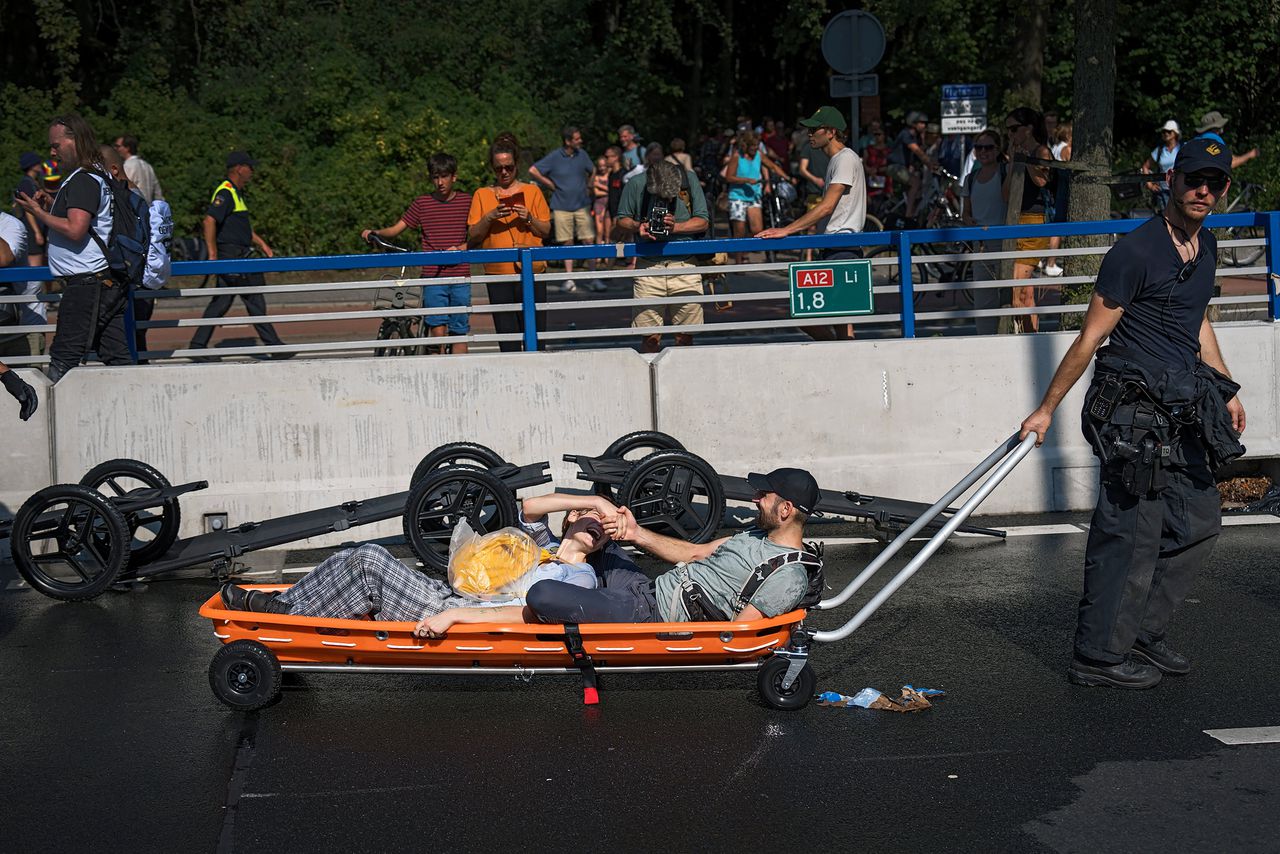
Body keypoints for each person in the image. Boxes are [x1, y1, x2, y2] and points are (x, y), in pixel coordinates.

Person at [1018, 138, 1246, 690]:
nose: (1202, 190)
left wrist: (1227, 388)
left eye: (1213, 183)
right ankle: (1098, 655)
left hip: (1181, 404)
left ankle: (1140, 631)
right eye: (1193, 178)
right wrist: (1045, 410)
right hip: (1129, 413)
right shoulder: (1135, 252)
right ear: (1170, 180)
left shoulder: (1206, 245)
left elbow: (1197, 321)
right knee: (1130, 533)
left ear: (1224, 190)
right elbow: (1089, 338)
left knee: (1198, 520)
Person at [415, 466, 822, 638]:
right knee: (603, 537)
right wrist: (631, 531)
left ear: (785, 509)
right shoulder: (754, 536)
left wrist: (677, 638)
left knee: (542, 595)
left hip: (651, 615)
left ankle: (573, 585)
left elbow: (739, 633)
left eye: (764, 495)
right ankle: (597, 542)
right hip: (645, 590)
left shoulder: (787, 574)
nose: (755, 499)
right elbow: (695, 553)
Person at [218, 493, 620, 619]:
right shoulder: (543, 544)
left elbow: (530, 611)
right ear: (571, 517)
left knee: (370, 562)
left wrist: (459, 615)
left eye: (603, 528)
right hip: (456, 595)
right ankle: (285, 606)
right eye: (589, 517)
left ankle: (289, 616)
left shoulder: (581, 577)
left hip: (470, 613)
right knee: (358, 552)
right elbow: (530, 505)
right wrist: (594, 499)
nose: (596, 524)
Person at [13, 113, 133, 382]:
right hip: (104, 282)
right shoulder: (94, 176)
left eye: (56, 145)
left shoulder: (82, 180)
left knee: (63, 360)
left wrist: (37, 212)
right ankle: (138, 413)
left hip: (87, 284)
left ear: (75, 141)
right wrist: (50, 205)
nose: (52, 151)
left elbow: (76, 229)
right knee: (116, 357)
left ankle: (46, 420)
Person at [758, 106, 867, 341]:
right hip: (835, 247)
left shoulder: (845, 159)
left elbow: (827, 206)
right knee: (840, 320)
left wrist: (785, 230)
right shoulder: (838, 160)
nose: (809, 134)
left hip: (841, 247)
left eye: (814, 129)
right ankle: (843, 357)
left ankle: (841, 355)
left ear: (830, 132)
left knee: (807, 314)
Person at [362, 153, 472, 354]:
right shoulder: (422, 203)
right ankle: (439, 369)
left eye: (444, 176)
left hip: (460, 274)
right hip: (432, 276)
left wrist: (461, 248)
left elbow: (477, 237)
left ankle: (459, 374)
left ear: (454, 177)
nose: (440, 182)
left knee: (459, 330)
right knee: (437, 328)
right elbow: (397, 229)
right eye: (435, 177)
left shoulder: (467, 202)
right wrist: (375, 233)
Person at [187, 151, 288, 360]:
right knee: (250, 301)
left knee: (226, 302)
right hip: (233, 256)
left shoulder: (236, 193)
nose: (252, 172)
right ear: (239, 168)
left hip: (240, 255)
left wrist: (263, 245)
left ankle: (197, 345)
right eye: (250, 167)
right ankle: (274, 346)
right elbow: (209, 221)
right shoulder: (225, 192)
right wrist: (213, 254)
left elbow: (242, 230)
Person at [466, 132, 552, 352]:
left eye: (509, 167)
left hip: (531, 270)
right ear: (492, 168)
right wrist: (489, 217)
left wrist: (529, 218)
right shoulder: (481, 194)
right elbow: (473, 237)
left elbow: (546, 231)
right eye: (498, 168)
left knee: (536, 334)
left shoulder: (532, 191)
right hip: (498, 272)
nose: (504, 172)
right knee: (507, 337)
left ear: (517, 165)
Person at [615, 158, 709, 352]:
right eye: (659, 197)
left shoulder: (689, 180)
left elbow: (703, 221)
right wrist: (637, 226)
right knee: (650, 338)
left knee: (685, 337)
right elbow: (621, 219)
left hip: (685, 266)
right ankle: (651, 378)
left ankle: (682, 379)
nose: (665, 202)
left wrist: (676, 227)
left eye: (670, 198)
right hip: (648, 267)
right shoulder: (636, 184)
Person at [1002, 107, 1053, 333]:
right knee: (1027, 291)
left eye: (1014, 129)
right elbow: (1005, 195)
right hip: (1015, 220)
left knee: (1016, 288)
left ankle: (1024, 338)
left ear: (1029, 128)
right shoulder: (1016, 153)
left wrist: (1027, 158)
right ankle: (1033, 337)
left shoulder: (1041, 151)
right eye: (1008, 131)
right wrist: (1014, 162)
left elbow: (1042, 181)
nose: (1011, 135)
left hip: (1034, 221)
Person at [529, 126, 598, 293]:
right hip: (561, 205)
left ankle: (594, 278)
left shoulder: (583, 154)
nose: (580, 141)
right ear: (568, 141)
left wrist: (590, 184)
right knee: (567, 242)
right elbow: (533, 170)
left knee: (588, 240)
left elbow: (593, 169)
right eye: (577, 138)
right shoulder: (555, 157)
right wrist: (550, 185)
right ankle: (569, 278)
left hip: (582, 203)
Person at [960, 129, 1008, 335]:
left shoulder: (1005, 172)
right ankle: (986, 340)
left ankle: (1009, 338)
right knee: (984, 300)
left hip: (1005, 244)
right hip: (981, 246)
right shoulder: (971, 178)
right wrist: (969, 221)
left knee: (1008, 298)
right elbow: (966, 212)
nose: (983, 151)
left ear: (998, 149)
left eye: (989, 147)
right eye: (979, 147)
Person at [724, 130, 791, 263]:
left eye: (757, 146)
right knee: (739, 230)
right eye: (752, 146)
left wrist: (787, 177)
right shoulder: (737, 156)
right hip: (738, 196)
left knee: (757, 229)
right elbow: (729, 177)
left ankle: (744, 250)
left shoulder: (759, 155)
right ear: (745, 146)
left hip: (754, 195)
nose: (755, 149)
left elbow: (772, 166)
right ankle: (738, 261)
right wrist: (746, 180)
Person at [12, 153, 48, 356]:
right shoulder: (26, 183)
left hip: (37, 231)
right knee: (34, 277)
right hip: (33, 232)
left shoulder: (33, 181)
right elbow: (28, 211)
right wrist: (36, 231)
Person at [887, 111, 933, 222]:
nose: (924, 126)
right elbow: (917, 151)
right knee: (915, 182)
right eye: (921, 123)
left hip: (903, 168)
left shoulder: (915, 136)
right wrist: (931, 164)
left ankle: (911, 208)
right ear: (913, 123)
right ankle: (908, 215)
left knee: (920, 185)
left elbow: (920, 151)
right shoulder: (906, 134)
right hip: (895, 167)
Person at [1194, 111, 1259, 170]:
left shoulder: (1197, 140)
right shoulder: (1214, 139)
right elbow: (1229, 164)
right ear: (1218, 127)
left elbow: (1229, 157)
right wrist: (1250, 155)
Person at [1141, 120, 1182, 213]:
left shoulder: (1183, 148)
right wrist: (1150, 185)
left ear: (1175, 133)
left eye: (1169, 131)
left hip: (1180, 190)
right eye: (1164, 132)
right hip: (1163, 191)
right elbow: (1145, 167)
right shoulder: (1159, 150)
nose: (1166, 134)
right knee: (1166, 217)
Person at [111, 134, 164, 203]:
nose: (115, 149)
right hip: (148, 210)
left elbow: (120, 190)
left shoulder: (127, 166)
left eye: (118, 146)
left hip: (134, 210)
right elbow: (158, 195)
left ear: (127, 148)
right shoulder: (148, 166)